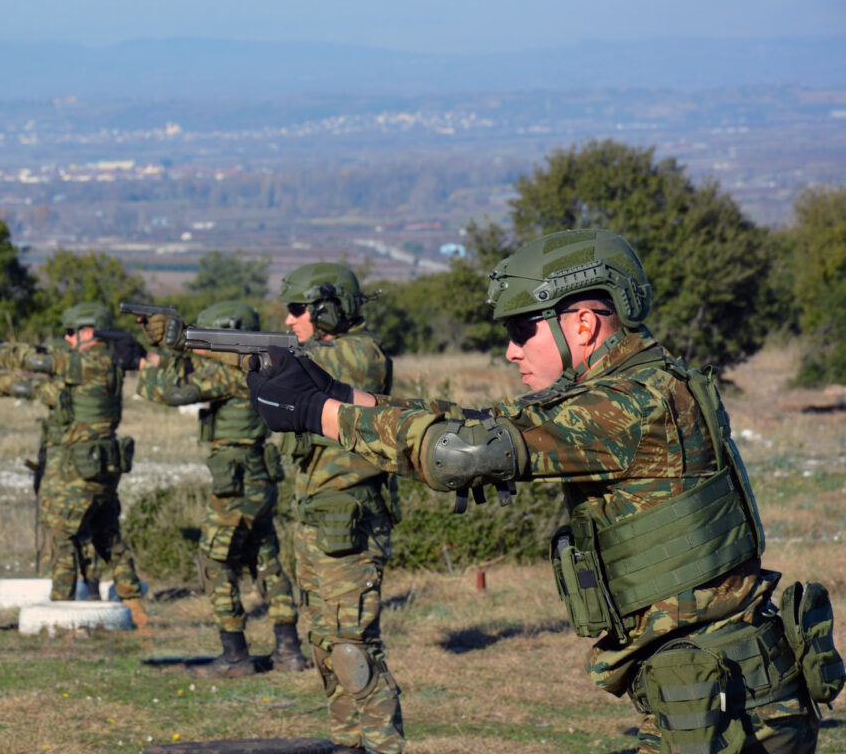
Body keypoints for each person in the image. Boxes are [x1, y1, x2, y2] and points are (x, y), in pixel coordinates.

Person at [248, 230, 840, 754]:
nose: (511, 349)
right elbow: (477, 424)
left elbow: (464, 454)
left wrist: (315, 414)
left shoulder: (626, 406)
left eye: (521, 329)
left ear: (582, 323)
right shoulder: (632, 387)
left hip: (723, 694)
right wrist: (339, 396)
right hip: (718, 682)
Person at [219, 263, 406, 754]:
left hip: (350, 523)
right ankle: (348, 743)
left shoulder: (359, 354)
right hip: (317, 521)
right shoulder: (315, 352)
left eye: (298, 309)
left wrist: (223, 349)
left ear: (329, 309)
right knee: (324, 645)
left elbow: (303, 366)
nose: (289, 319)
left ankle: (383, 746)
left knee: (353, 645)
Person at [137, 299, 306, 676]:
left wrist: (150, 366)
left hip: (237, 479)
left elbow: (171, 393)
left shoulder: (233, 371)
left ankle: (235, 655)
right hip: (258, 476)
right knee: (265, 560)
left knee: (214, 561)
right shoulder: (261, 362)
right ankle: (289, 650)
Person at [0, 301, 149, 630]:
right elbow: (52, 389)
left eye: (71, 332)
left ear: (88, 331)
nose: (68, 338)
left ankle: (59, 611)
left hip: (78, 465)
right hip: (103, 464)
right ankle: (136, 610)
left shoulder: (89, 361)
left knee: (61, 533)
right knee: (109, 537)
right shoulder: (107, 364)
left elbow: (38, 363)